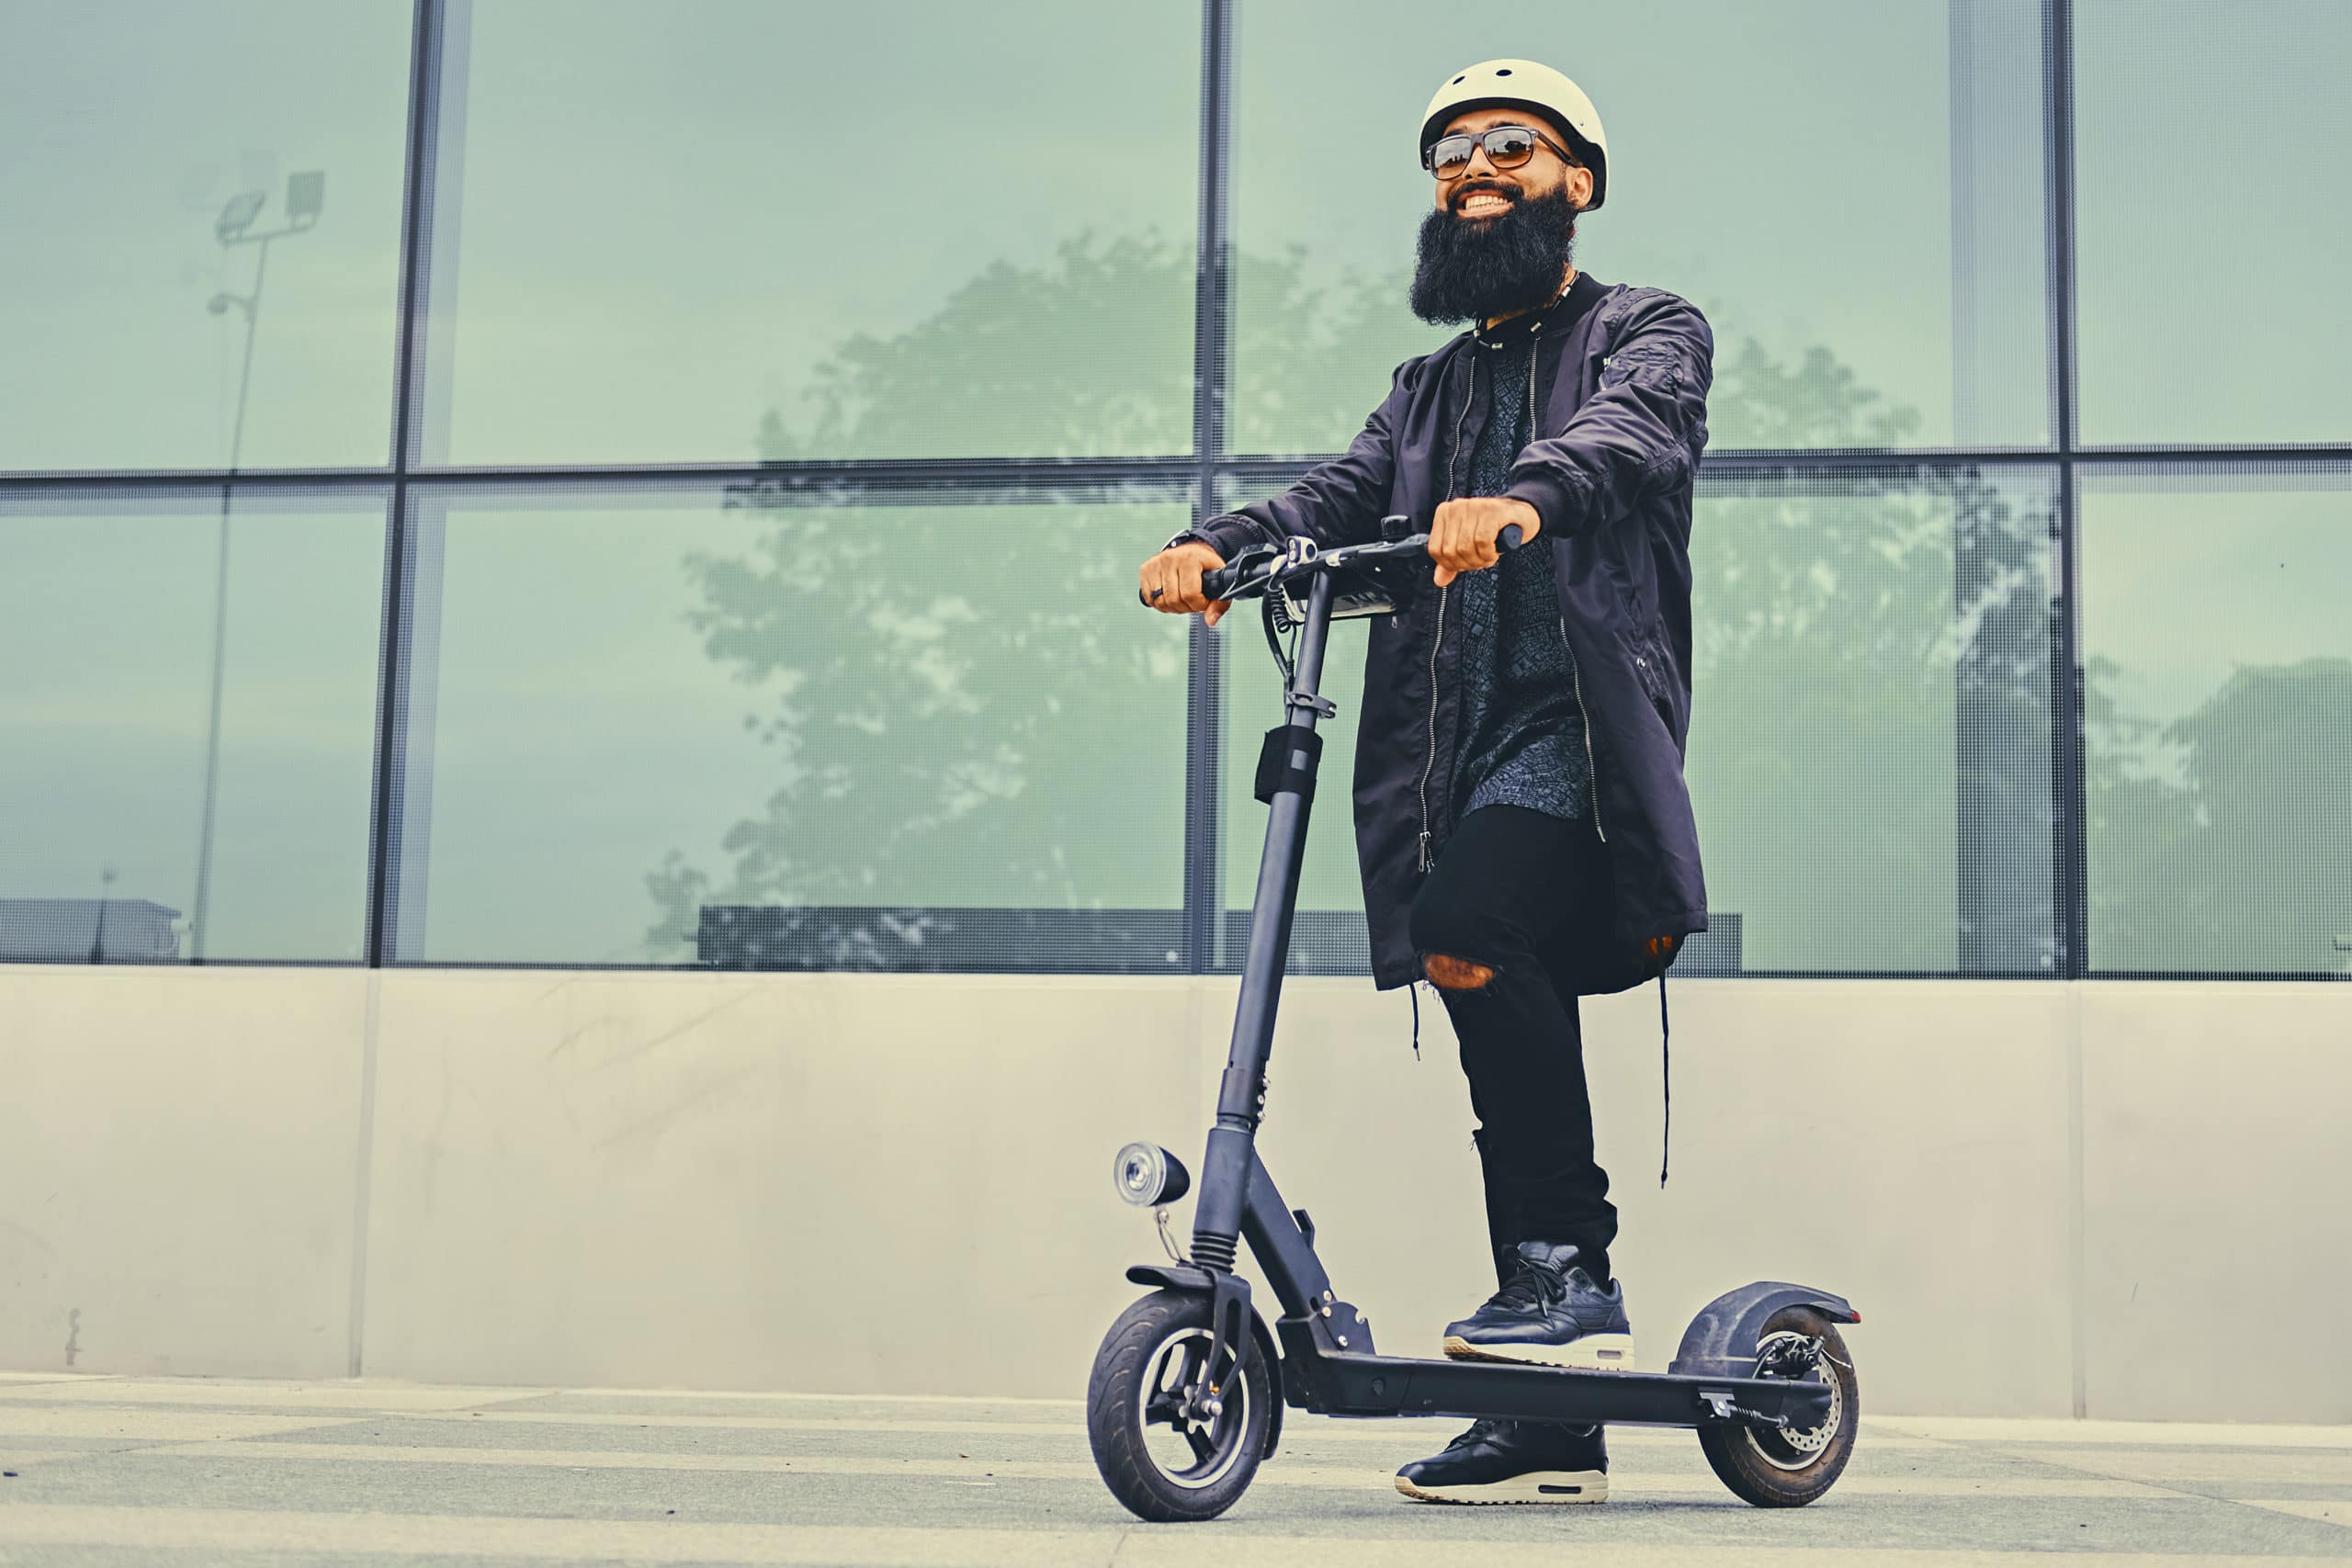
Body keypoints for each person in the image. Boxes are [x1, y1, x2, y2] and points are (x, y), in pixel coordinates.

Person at [1137, 59, 1713, 1506]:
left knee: (1466, 932)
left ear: (1576, 179)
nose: (1471, 169)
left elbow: (1628, 436)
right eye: (1450, 152)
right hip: (1456, 757)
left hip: (1575, 742)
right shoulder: (1432, 384)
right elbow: (1339, 495)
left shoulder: (1645, 328)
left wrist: (1521, 500)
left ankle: (1567, 1274)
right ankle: (1548, 1402)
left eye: (1508, 146)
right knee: (1476, 995)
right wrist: (1220, 542)